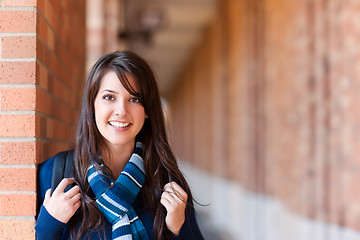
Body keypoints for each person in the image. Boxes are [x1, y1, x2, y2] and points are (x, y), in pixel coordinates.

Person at [35, 51, 204, 240]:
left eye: (134, 99)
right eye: (109, 97)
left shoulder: (166, 183)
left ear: (147, 110)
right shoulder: (56, 177)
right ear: (92, 104)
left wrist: (176, 230)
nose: (121, 111)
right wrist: (47, 228)